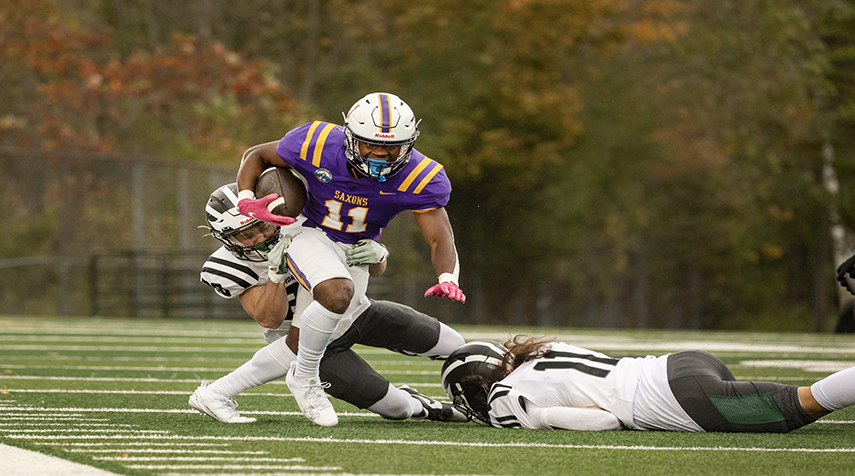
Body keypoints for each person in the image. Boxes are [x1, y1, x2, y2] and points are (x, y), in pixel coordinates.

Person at [235, 92, 466, 426]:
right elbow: (257, 154)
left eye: (391, 147)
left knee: (455, 345)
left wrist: (447, 277)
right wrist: (245, 198)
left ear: (410, 143)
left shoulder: (422, 176)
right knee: (334, 302)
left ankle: (416, 395)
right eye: (369, 144)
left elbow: (439, 235)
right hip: (309, 234)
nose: (379, 154)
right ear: (349, 137)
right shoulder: (315, 142)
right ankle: (274, 381)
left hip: (355, 253)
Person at [192, 183, 470, 425]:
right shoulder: (227, 267)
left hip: (357, 312)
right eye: (246, 235)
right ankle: (422, 405)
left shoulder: (302, 223)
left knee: (455, 344)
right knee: (397, 409)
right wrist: (276, 277)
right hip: (306, 342)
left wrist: (378, 257)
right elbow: (269, 319)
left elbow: (373, 270)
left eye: (261, 226)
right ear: (227, 240)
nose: (260, 238)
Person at [441, 336, 855, 432]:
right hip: (683, 364)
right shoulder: (543, 351)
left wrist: (546, 417)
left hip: (675, 398)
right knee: (789, 400)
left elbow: (605, 423)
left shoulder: (503, 401)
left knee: (798, 406)